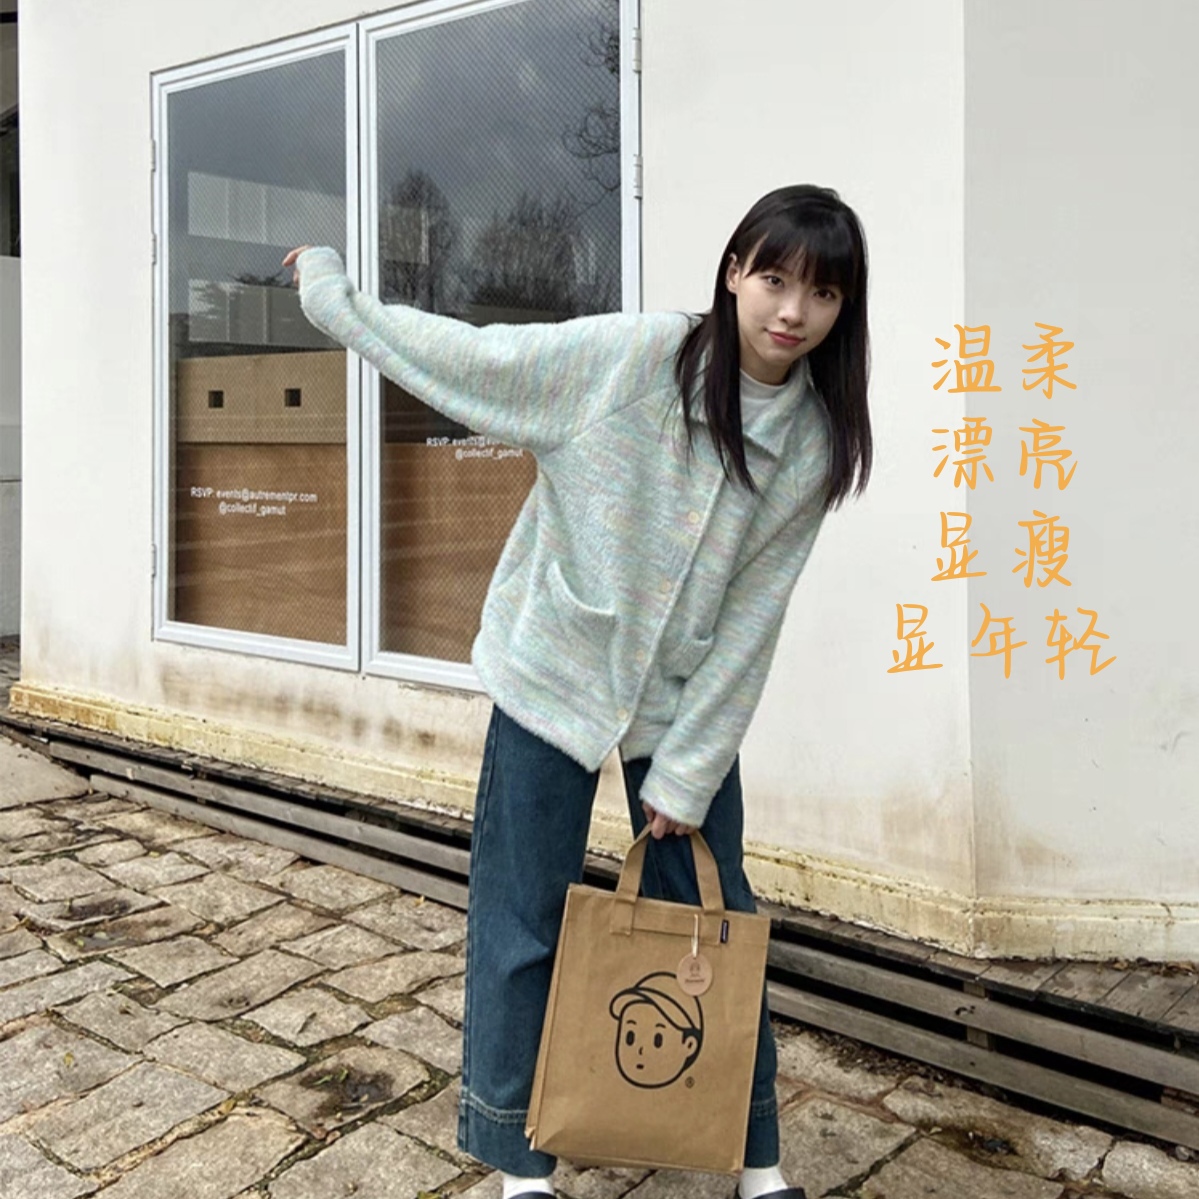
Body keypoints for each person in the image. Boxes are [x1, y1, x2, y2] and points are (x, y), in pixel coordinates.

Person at [285, 183, 871, 1199]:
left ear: (841, 309)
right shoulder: (634, 358)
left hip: (679, 704)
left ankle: (756, 1156)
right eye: (774, 279)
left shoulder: (814, 439)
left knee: (715, 917)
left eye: (821, 293)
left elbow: (752, 619)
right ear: (733, 271)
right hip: (552, 666)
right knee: (521, 918)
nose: (791, 311)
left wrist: (687, 770)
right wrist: (331, 295)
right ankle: (518, 1163)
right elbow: (472, 359)